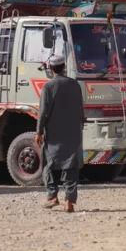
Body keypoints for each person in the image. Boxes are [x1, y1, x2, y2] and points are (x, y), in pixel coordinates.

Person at [35, 54, 84, 213]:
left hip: (54, 134)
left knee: (48, 164)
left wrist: (39, 131)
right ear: (64, 67)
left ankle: (52, 196)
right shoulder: (75, 85)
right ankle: (69, 201)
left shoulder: (48, 87)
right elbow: (80, 109)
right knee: (71, 165)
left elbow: (43, 113)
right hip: (73, 133)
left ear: (51, 68)